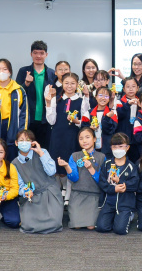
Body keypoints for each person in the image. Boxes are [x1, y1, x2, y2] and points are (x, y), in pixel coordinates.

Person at [46, 72, 89, 204]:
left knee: (71, 164)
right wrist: (48, 104)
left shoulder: (81, 100)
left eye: (72, 83)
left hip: (73, 136)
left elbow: (86, 121)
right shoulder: (56, 99)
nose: (69, 86)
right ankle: (62, 189)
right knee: (58, 165)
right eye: (66, 83)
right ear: (62, 84)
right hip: (57, 136)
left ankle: (69, 194)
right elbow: (51, 121)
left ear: (77, 85)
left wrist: (77, 121)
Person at [11, 129, 63, 234]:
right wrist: (25, 192)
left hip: (50, 193)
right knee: (28, 225)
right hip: (32, 196)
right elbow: (20, 185)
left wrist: (41, 153)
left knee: (54, 223)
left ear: (33, 143)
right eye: (21, 140)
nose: (24, 143)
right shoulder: (14, 163)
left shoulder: (42, 152)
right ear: (16, 143)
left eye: (28, 140)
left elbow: (51, 171)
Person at [57, 127, 105, 229]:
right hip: (77, 195)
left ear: (94, 139)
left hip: (94, 196)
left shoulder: (101, 157)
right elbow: (74, 178)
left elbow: (102, 181)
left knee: (91, 227)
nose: (84, 141)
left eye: (87, 137)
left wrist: (91, 168)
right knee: (77, 226)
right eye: (81, 138)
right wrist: (66, 166)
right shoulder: (75, 156)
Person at [96, 132, 139, 235]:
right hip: (109, 202)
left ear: (127, 147)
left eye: (121, 146)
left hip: (125, 203)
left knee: (120, 230)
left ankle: (128, 215)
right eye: (115, 146)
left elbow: (135, 183)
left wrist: (123, 184)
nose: (118, 149)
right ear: (111, 147)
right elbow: (102, 182)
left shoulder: (132, 166)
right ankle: (114, 217)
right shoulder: (107, 164)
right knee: (101, 227)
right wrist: (113, 189)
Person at [16, 41, 56, 149]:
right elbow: (17, 95)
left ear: (46, 55)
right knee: (27, 150)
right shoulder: (23, 71)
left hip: (46, 120)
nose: (38, 56)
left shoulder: (52, 73)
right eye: (35, 53)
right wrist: (26, 84)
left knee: (44, 151)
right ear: (31, 54)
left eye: (41, 53)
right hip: (28, 120)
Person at [0, 59, 28, 161]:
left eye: (5, 69)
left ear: (10, 71)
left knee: (12, 156)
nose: (1, 72)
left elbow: (24, 113)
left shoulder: (18, 90)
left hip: (13, 127)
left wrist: (22, 133)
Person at [85, 86, 118, 154]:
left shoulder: (112, 113)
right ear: (96, 97)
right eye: (100, 95)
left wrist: (107, 118)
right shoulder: (88, 113)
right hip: (91, 149)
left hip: (107, 149)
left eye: (106, 96)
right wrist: (90, 129)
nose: (103, 98)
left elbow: (110, 130)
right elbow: (83, 129)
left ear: (109, 99)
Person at [116, 78, 141, 162]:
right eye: (128, 87)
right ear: (123, 89)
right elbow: (118, 115)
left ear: (137, 88)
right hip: (123, 137)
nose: (131, 89)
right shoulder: (119, 102)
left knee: (136, 161)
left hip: (136, 139)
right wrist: (127, 104)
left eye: (133, 86)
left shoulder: (141, 102)